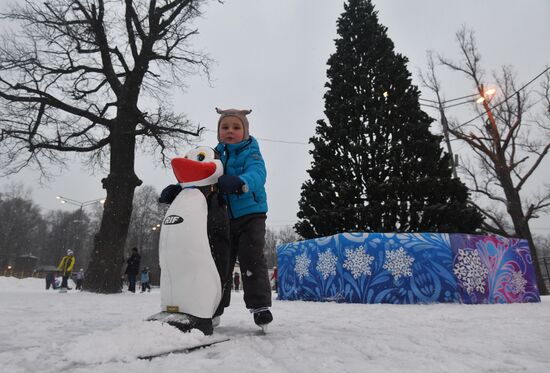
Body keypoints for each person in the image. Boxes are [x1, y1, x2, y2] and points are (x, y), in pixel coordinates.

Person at [159, 108, 273, 328]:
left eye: (236, 127)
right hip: (223, 217)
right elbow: (201, 174)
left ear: (245, 131)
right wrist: (180, 188)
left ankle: (260, 306)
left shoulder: (251, 152)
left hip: (251, 214)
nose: (230, 131)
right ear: (219, 131)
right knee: (218, 262)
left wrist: (241, 181)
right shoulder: (214, 154)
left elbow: (258, 174)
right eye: (225, 127)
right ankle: (212, 308)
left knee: (251, 257)